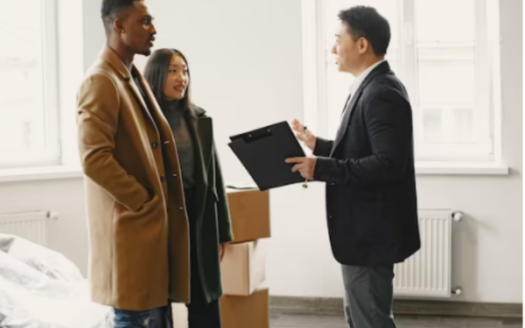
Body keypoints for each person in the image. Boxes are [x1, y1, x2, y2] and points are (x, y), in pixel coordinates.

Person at [286, 6, 421, 328]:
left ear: (361, 45)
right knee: (362, 316)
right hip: (364, 233)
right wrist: (317, 144)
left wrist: (321, 168)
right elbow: (362, 149)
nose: (333, 48)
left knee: (370, 320)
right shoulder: (371, 86)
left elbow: (387, 164)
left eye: (337, 39)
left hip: (369, 235)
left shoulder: (381, 93)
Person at [76, 1, 191, 327]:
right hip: (132, 234)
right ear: (119, 26)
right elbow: (94, 158)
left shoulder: (132, 76)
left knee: (156, 316)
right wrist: (144, 201)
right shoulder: (101, 81)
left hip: (150, 235)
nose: (153, 29)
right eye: (144, 21)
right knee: (137, 316)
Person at [143, 48, 234, 328]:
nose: (181, 77)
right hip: (162, 219)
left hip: (198, 217)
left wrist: (222, 230)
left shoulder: (199, 118)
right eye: (172, 70)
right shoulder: (143, 121)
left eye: (184, 70)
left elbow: (214, 179)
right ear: (156, 75)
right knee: (159, 301)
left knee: (205, 299)